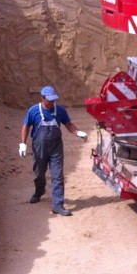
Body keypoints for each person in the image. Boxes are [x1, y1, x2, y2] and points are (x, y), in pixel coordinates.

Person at [19, 86, 87, 216]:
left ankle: (57, 205)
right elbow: (26, 126)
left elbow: (68, 124)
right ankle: (39, 192)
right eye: (49, 100)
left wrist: (78, 132)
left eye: (53, 100)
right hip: (39, 148)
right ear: (42, 98)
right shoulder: (33, 111)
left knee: (58, 176)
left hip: (56, 148)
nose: (51, 102)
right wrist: (22, 144)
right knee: (39, 173)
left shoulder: (60, 110)